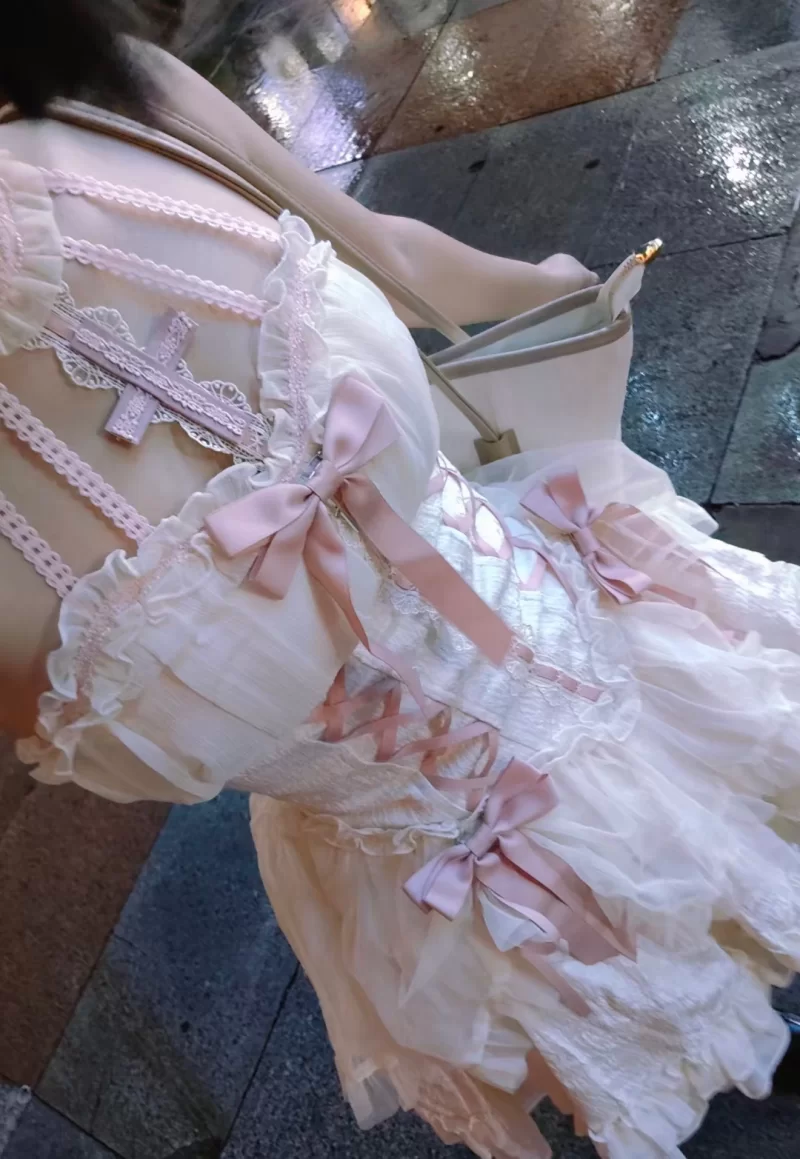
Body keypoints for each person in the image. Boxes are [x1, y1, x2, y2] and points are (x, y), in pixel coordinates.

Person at [0, 4, 798, 1157]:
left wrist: (551, 291)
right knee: (666, 1014)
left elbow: (383, 251)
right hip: (453, 878)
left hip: (606, 640)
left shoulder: (113, 99)